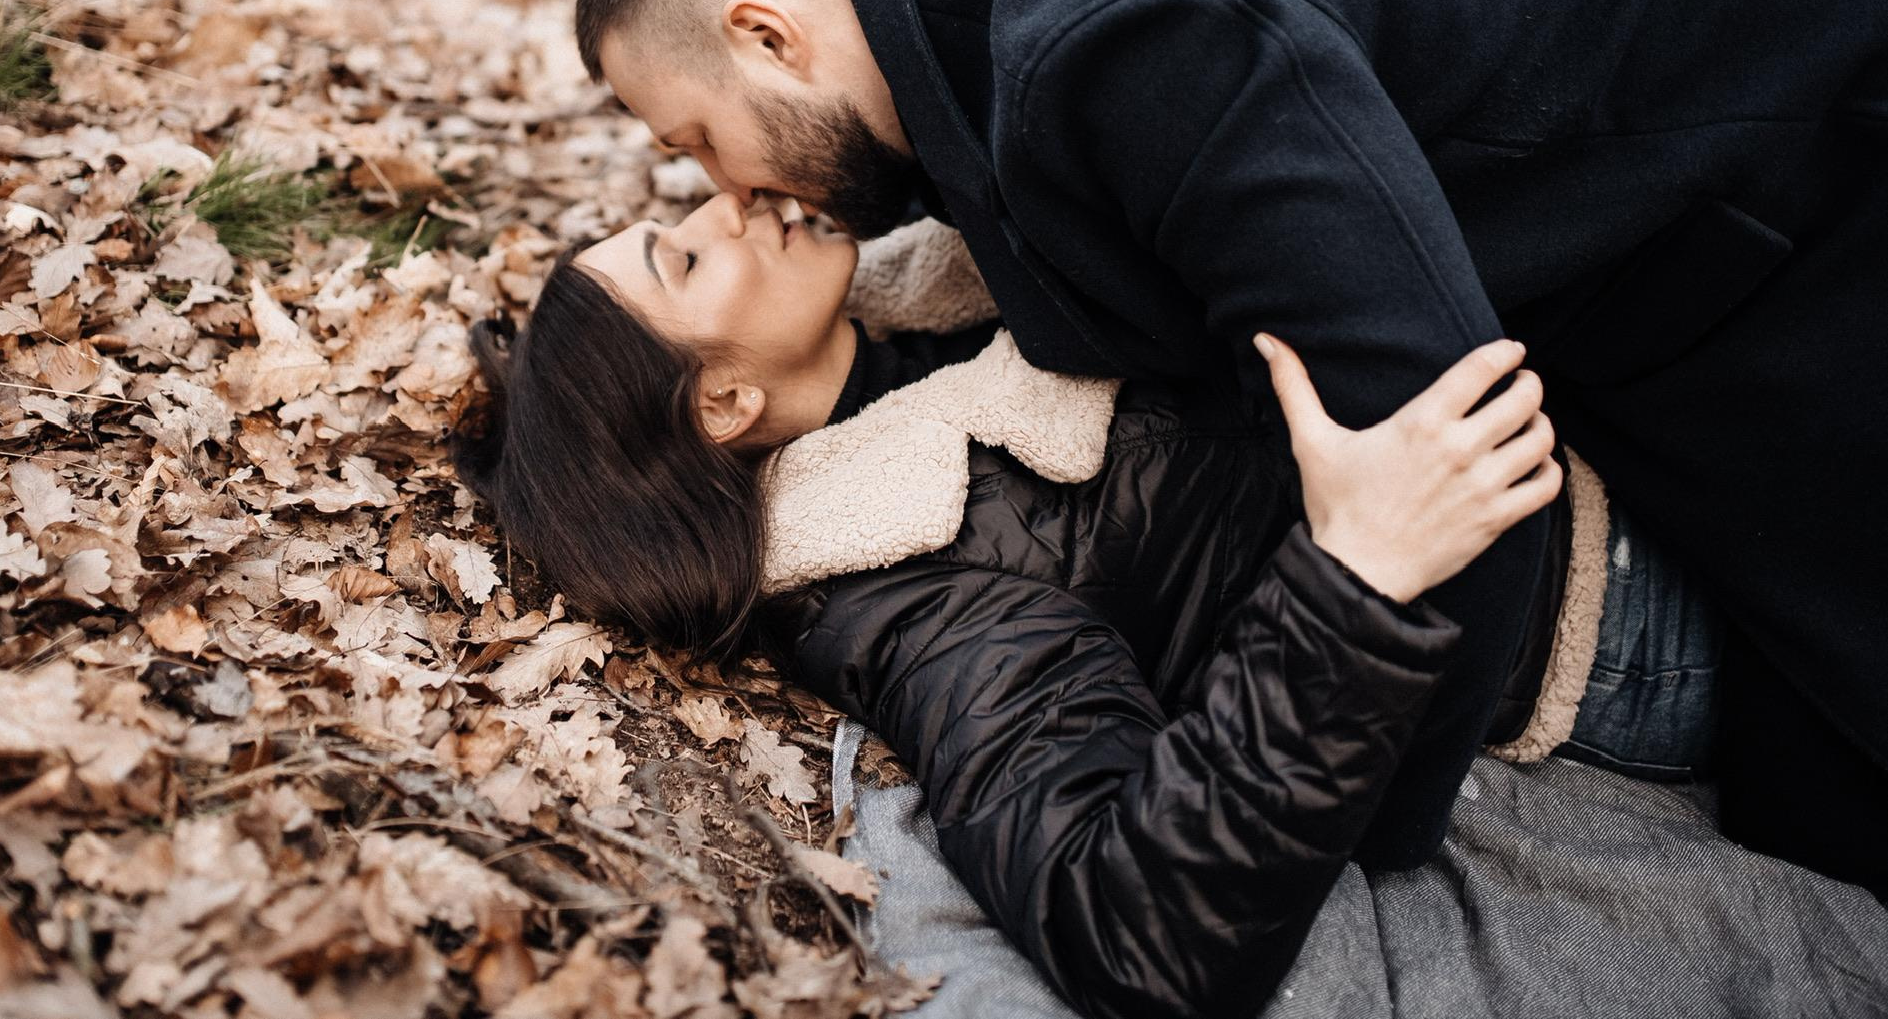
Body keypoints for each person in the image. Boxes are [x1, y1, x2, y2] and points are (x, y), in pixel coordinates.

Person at [570, 0, 1888, 888]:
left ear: (768, 35)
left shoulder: (1129, 39)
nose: (727, 190)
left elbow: (1445, 443)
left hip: (1808, 156)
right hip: (1668, 221)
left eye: (698, 138)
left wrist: (1371, 844)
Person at [453, 197, 1718, 1019]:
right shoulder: (906, 578)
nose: (725, 206)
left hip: (1632, 424)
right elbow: (1135, 930)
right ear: (721, 404)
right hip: (1605, 628)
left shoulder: (958, 260)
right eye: (686, 255)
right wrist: (1357, 573)